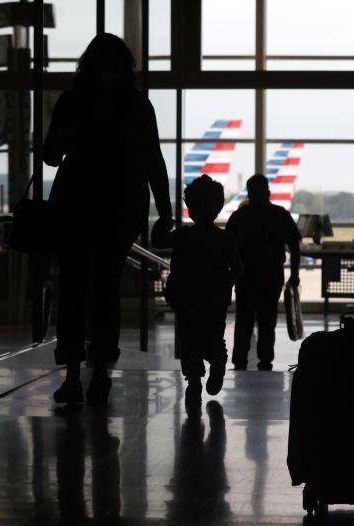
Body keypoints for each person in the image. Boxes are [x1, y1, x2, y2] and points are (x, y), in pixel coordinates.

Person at [43, 33, 172, 405]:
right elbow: (153, 161)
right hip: (120, 209)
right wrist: (163, 211)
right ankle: (100, 371)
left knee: (73, 290)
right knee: (105, 291)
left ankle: (71, 372)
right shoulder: (137, 107)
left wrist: (69, 141)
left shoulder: (71, 103)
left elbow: (51, 156)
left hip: (75, 206)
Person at [163, 175, 242, 404]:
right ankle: (217, 363)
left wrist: (166, 220)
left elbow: (158, 240)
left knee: (188, 341)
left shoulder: (182, 236)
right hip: (214, 300)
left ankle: (194, 380)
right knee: (213, 337)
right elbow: (238, 267)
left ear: (190, 208)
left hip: (186, 299)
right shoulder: (224, 238)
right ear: (218, 208)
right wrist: (224, 283)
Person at [226, 174, 301, 371]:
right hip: (271, 275)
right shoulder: (280, 215)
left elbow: (227, 247)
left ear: (249, 193)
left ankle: (240, 360)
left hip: (245, 276)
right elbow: (294, 245)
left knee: (244, 319)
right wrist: (294, 274)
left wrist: (229, 274)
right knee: (267, 320)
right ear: (268, 192)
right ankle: (265, 359)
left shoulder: (239, 216)